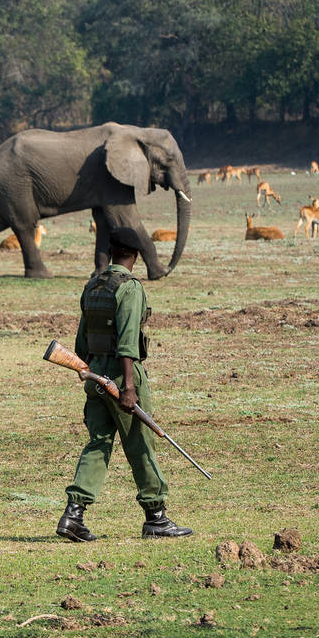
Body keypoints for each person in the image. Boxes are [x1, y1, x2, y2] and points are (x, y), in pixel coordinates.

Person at [57, 227, 192, 542]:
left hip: (95, 376)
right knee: (140, 443)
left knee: (99, 444)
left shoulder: (93, 285)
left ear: (112, 250)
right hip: (121, 376)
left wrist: (93, 373)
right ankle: (156, 517)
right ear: (137, 255)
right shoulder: (129, 288)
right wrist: (128, 387)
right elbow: (129, 343)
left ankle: (73, 515)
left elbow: (81, 343)